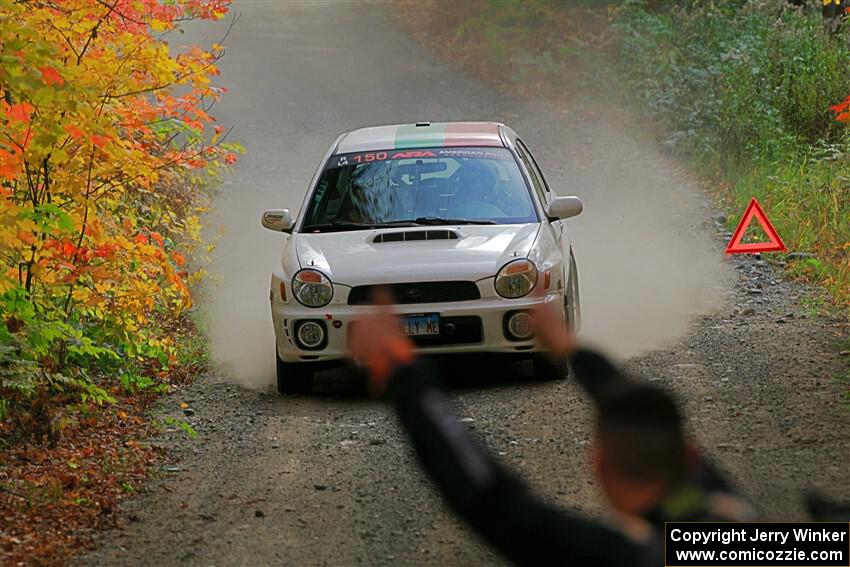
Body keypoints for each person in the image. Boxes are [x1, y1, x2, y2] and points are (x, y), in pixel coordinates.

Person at [347, 292, 754, 567]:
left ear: (597, 464)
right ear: (690, 456)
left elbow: (489, 499)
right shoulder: (740, 528)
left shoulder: (623, 556)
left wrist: (403, 369)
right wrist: (573, 352)